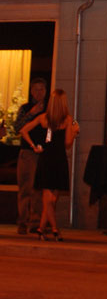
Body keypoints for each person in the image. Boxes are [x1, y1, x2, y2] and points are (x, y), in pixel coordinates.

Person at [19, 88, 80, 240]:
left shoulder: (44, 118)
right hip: (59, 160)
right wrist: (74, 133)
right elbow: (67, 143)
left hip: (46, 159)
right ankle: (54, 230)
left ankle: (41, 228)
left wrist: (34, 146)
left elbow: (23, 130)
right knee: (51, 199)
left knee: (50, 200)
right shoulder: (67, 120)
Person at [15, 77, 48, 235]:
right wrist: (31, 114)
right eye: (36, 89)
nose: (39, 92)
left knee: (38, 189)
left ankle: (36, 222)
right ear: (31, 91)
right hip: (27, 152)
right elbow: (17, 128)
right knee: (25, 188)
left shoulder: (50, 108)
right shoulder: (25, 108)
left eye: (42, 89)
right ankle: (22, 221)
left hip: (43, 153)